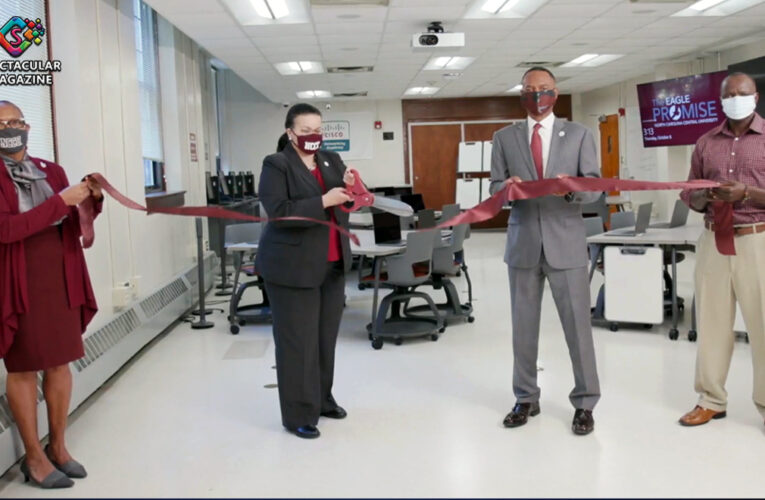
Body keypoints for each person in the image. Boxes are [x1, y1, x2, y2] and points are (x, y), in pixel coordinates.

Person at [489, 67, 602, 435]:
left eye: (544, 89)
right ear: (521, 94)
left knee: (577, 330)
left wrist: (568, 188)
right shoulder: (504, 137)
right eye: (529, 90)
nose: (536, 96)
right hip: (522, 244)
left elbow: (594, 188)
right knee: (523, 330)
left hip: (566, 244)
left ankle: (585, 403)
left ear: (555, 92)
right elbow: (494, 188)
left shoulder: (580, 134)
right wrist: (507, 188)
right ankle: (526, 398)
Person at [0, 101, 102, 487]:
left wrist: (90, 199)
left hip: (59, 275)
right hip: (18, 281)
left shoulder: (51, 170)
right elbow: (7, 230)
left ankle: (58, 446)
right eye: (1, 124)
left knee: (61, 362)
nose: (10, 128)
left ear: (27, 126)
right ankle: (34, 456)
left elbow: (70, 224)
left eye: (15, 122)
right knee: (23, 366)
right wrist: (61, 202)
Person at [256, 103, 355, 439]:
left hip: (332, 262)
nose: (314, 136)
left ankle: (322, 399)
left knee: (324, 340)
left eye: (318, 129)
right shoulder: (277, 164)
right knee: (298, 343)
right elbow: (279, 212)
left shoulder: (330, 159)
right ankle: (299, 413)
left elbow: (346, 202)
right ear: (290, 133)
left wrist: (353, 190)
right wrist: (324, 201)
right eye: (306, 130)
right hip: (291, 268)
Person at [678, 72, 765, 428]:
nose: (735, 99)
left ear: (755, 98)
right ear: (721, 100)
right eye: (729, 95)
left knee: (762, 325)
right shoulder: (705, 142)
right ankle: (711, 399)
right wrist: (702, 196)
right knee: (712, 323)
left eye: (742, 94)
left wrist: (746, 193)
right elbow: (688, 191)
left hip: (757, 239)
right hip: (714, 239)